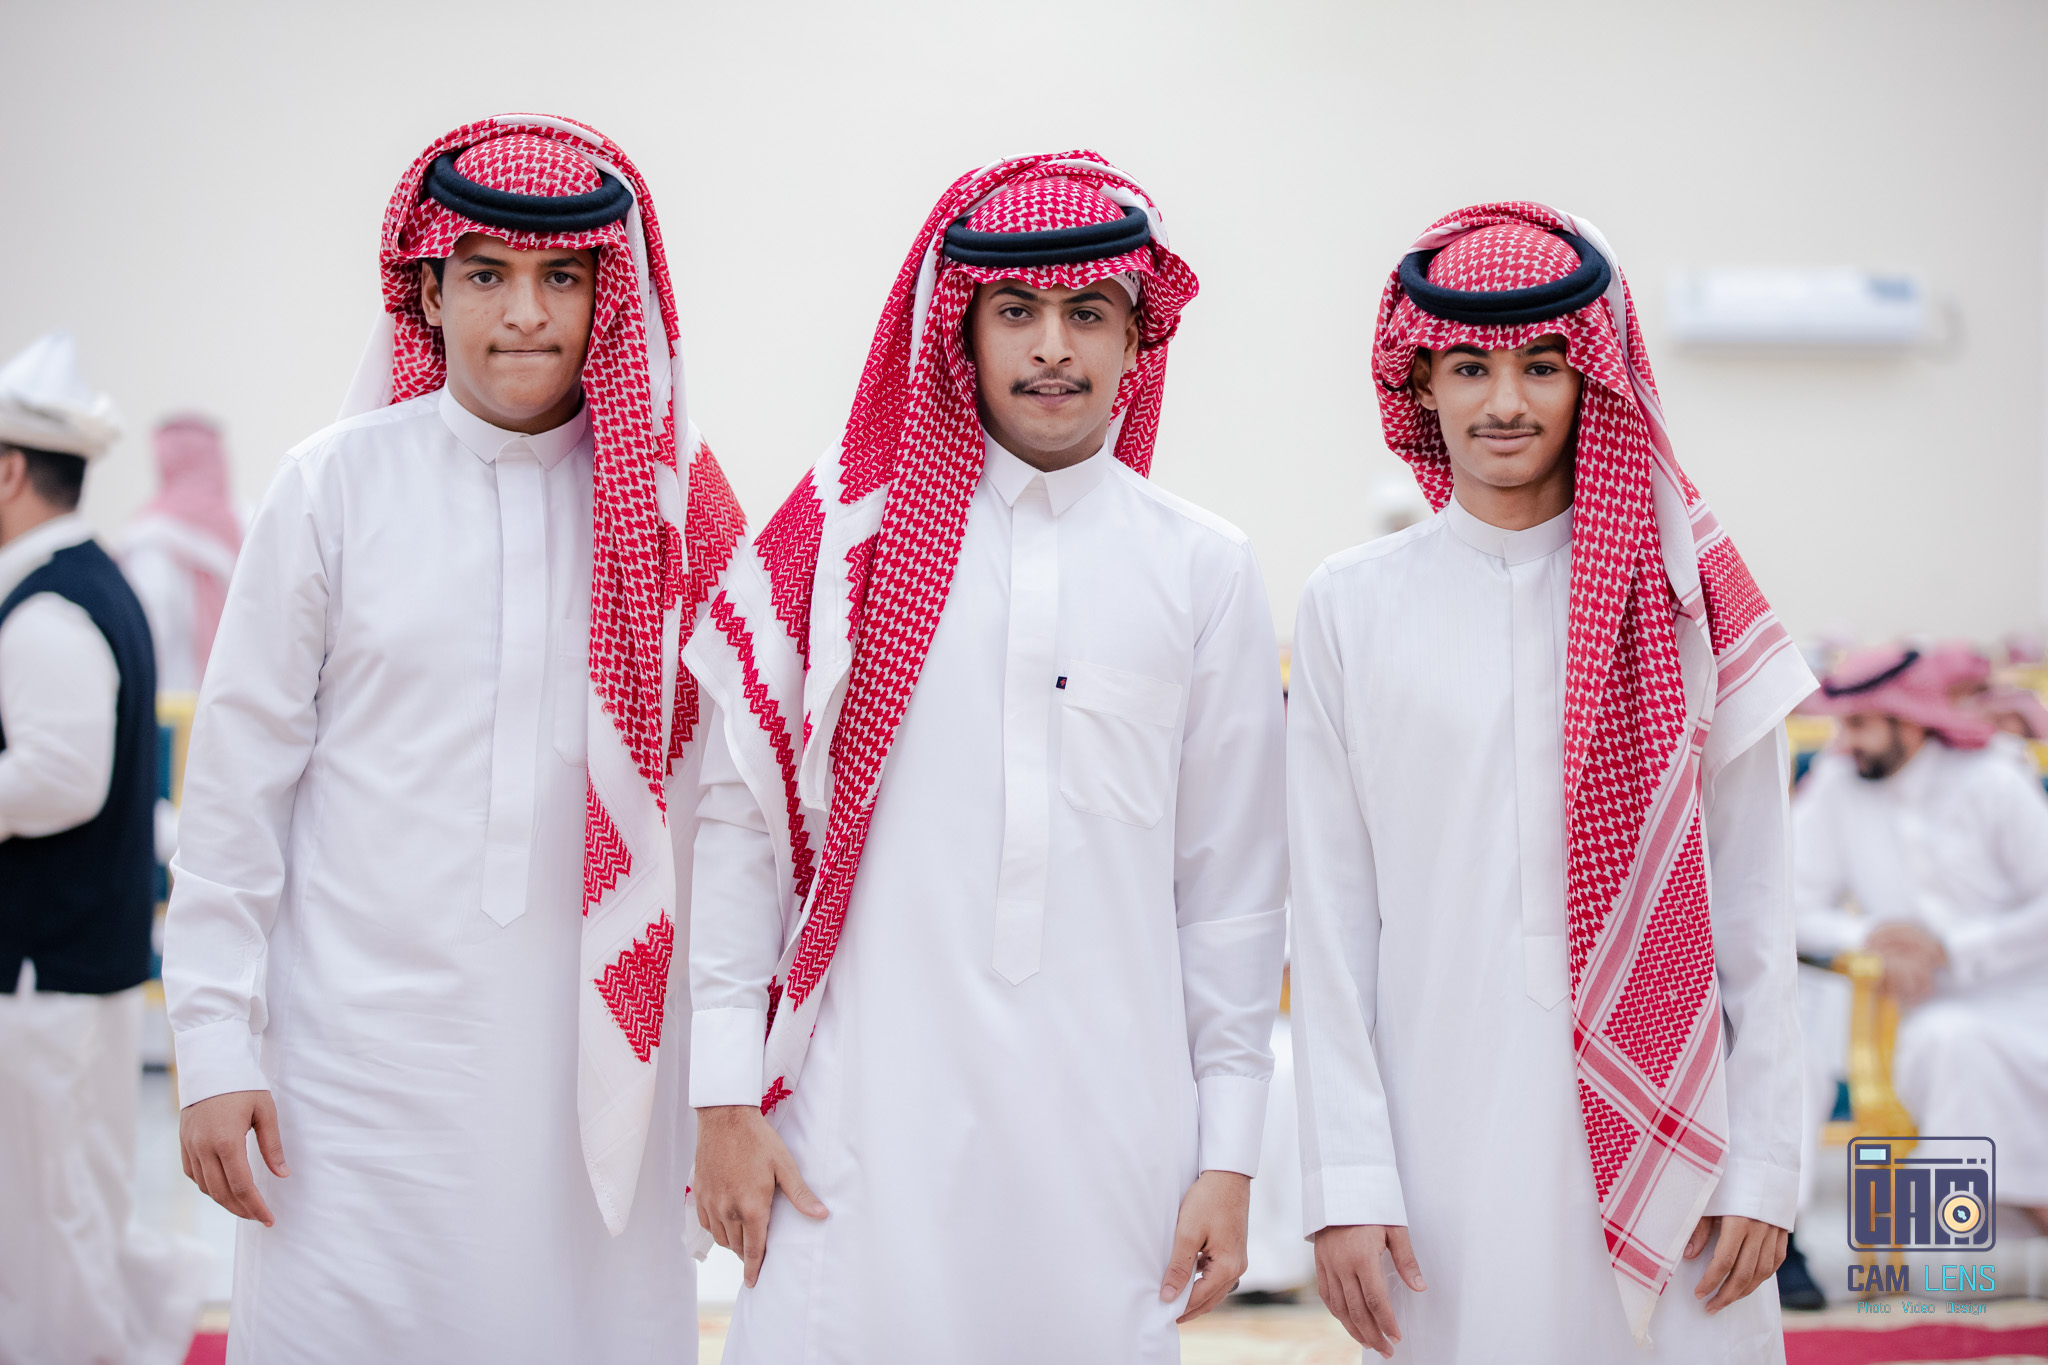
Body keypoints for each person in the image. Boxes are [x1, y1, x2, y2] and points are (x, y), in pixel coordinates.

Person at [684, 152, 1288, 1363]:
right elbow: (739, 827)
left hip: (1108, 1141)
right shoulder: (842, 540)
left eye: (1087, 313)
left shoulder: (1202, 567)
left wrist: (1227, 1159)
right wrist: (722, 1096)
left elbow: (1229, 895)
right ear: (960, 331)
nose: (1051, 347)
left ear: (1137, 337)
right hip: (858, 1125)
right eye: (1015, 311)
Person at [161, 114, 745, 1362]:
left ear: (607, 294)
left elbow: (733, 820)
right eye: (486, 275)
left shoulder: (676, 515)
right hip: (351, 1088)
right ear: (427, 293)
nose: (524, 313)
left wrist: (727, 1082)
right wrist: (211, 1042)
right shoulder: (332, 486)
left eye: (561, 277)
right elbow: (236, 797)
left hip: (591, 1092)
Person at [1289, 203, 1815, 1362]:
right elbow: (1328, 924)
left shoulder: (1684, 602)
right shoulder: (1350, 604)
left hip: (1687, 1142)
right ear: (1419, 382)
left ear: (1590, 382)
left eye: (1540, 366)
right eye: (1468, 368)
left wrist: (1766, 1162)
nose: (1505, 402)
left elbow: (1753, 903)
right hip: (1439, 1138)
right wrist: (1344, 1181)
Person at [0, 330, 210, 1364]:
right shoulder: (90, 582)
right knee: (68, 1198)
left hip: (48, 965)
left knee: (51, 1218)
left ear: (9, 471)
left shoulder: (48, 608)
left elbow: (58, 778)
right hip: (74, 959)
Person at [1794, 643, 2048, 1232]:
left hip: (2029, 996)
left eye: (1859, 725)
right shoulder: (1837, 786)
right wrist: (1870, 935)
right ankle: (1965, 1243)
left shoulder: (1994, 779)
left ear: (1907, 720)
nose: (1843, 742)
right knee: (1945, 1041)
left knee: (1957, 1042)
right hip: (1911, 1009)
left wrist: (1952, 950)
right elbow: (1787, 902)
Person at [120, 414, 242, 694]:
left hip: (172, 700)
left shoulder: (148, 536)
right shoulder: (249, 520)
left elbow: (148, 632)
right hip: (237, 699)